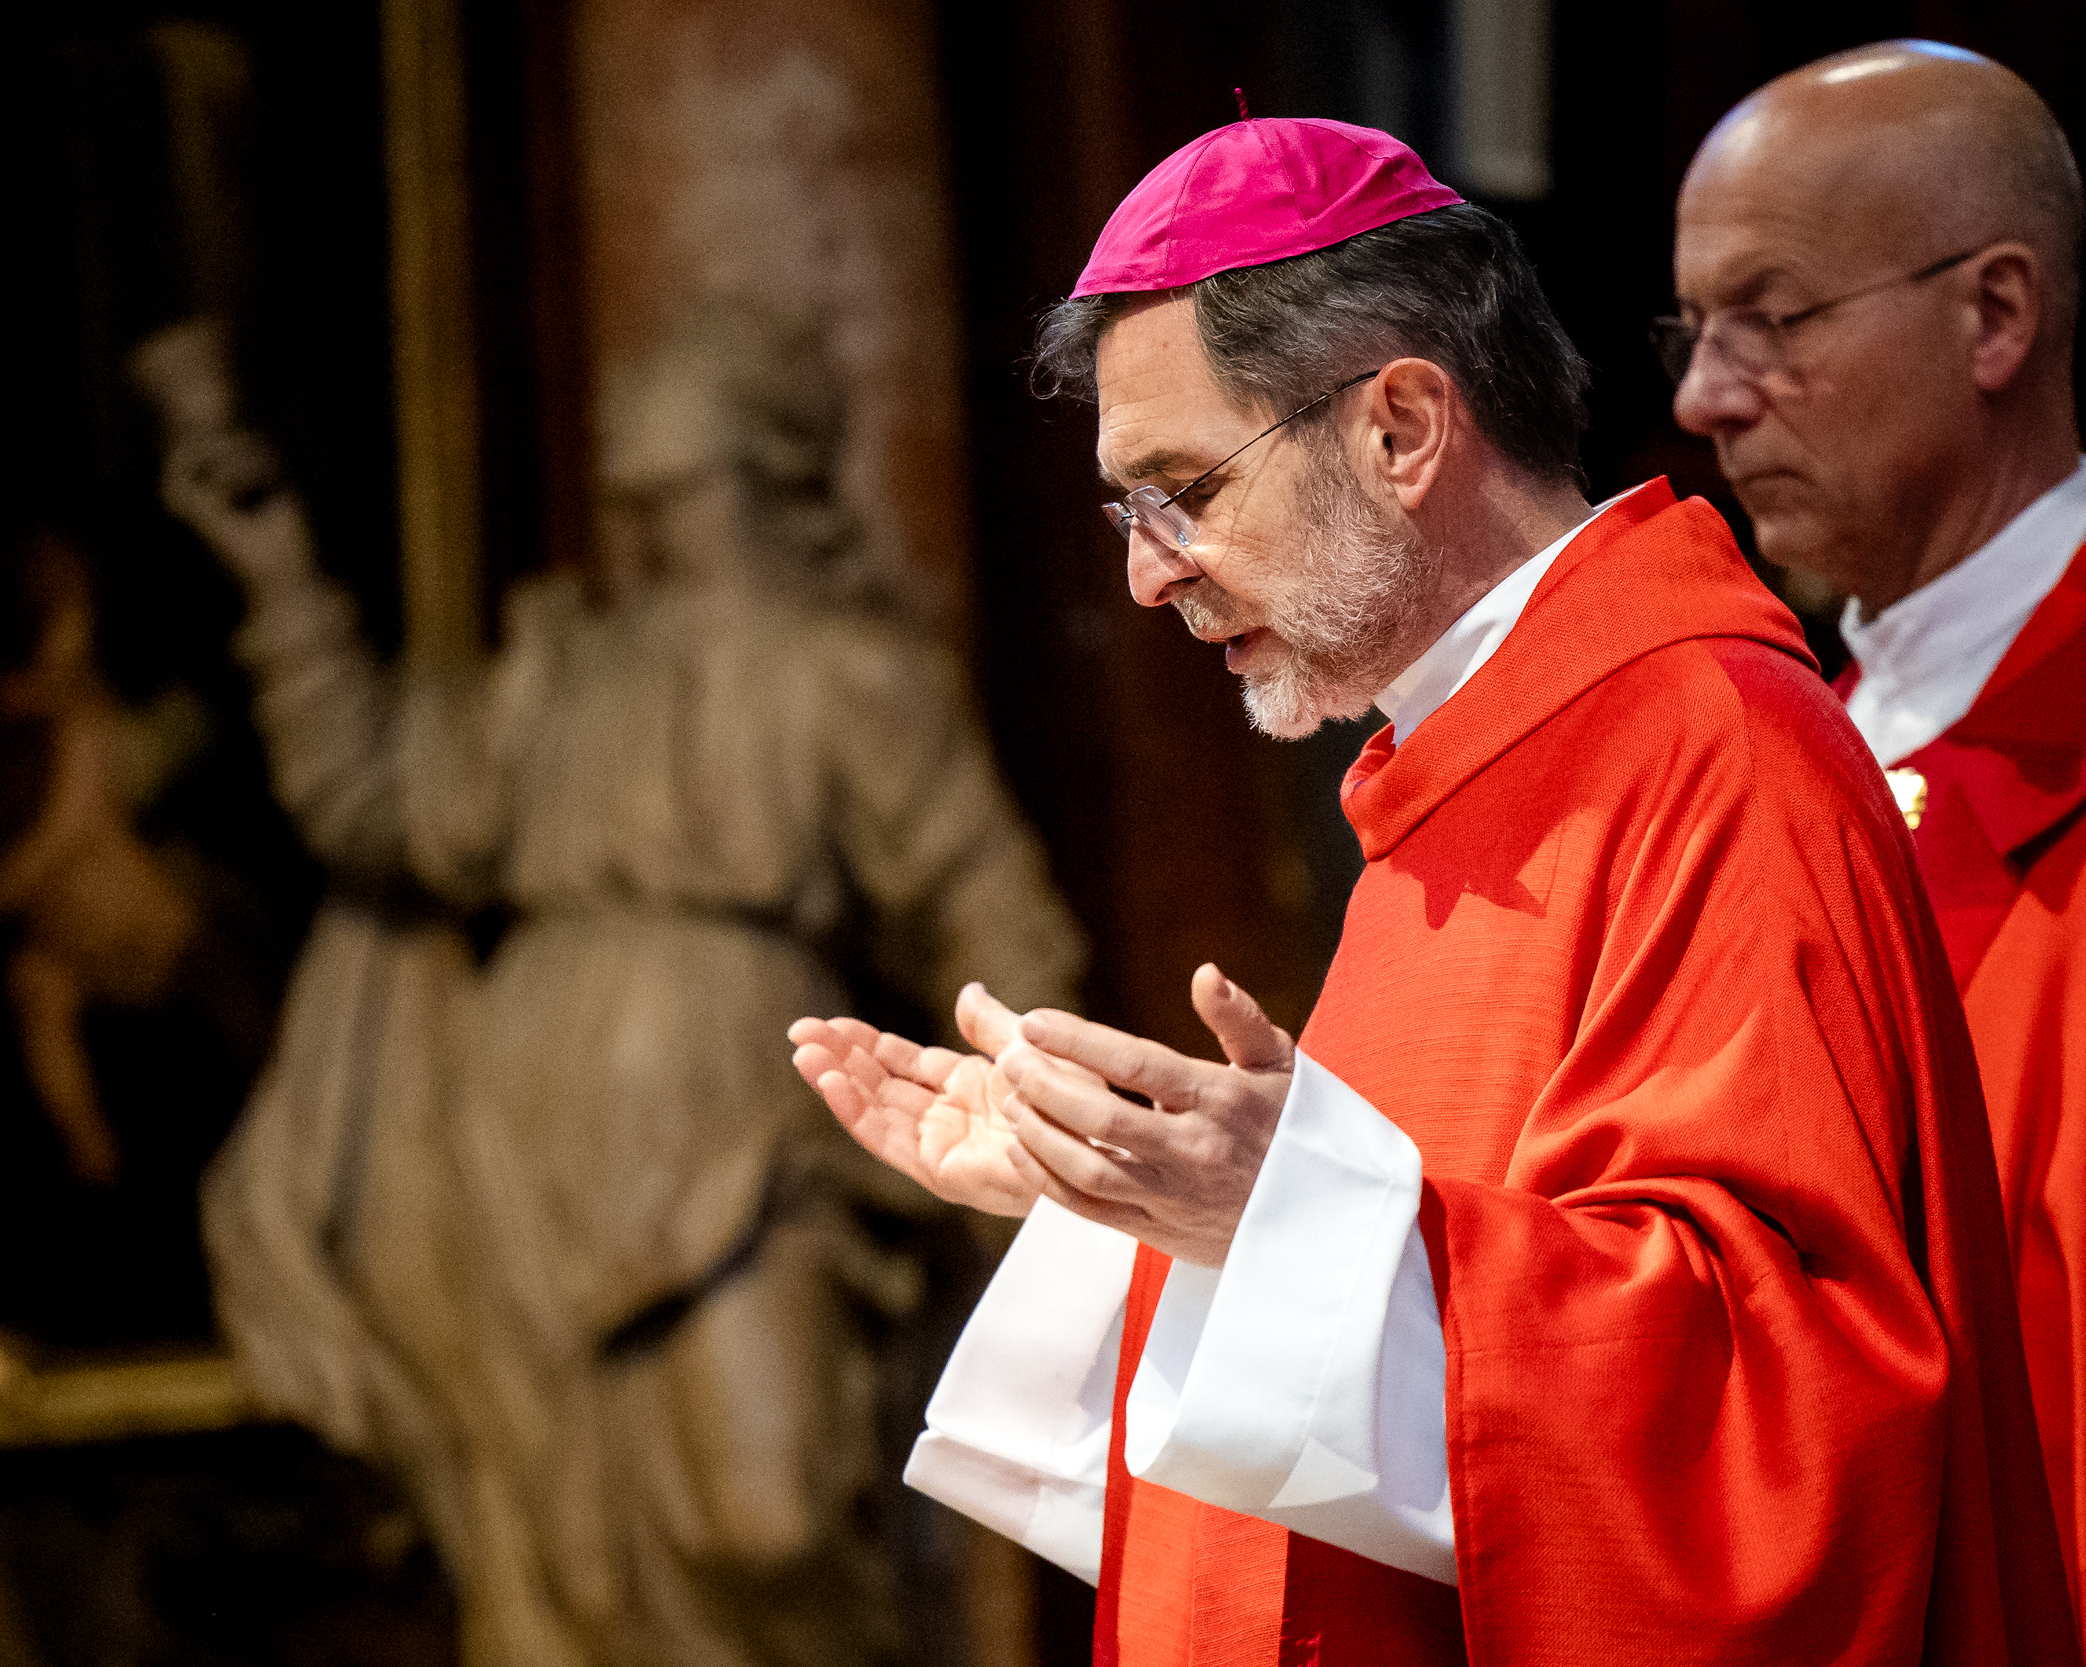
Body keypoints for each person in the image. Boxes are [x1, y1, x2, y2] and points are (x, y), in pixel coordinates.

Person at [790, 115, 2075, 1663]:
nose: (1149, 572)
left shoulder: (1709, 747)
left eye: (1184, 490)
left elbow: (1775, 1418)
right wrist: (1132, 1197)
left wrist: (1280, 1218)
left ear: (1401, 428)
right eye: (1133, 514)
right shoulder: (1472, 765)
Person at [148, 306, 1085, 1667]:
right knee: (556, 1571)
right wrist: (277, 575)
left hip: (739, 1137)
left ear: (756, 474)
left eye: (673, 491)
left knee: (768, 1519)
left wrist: (1032, 1113)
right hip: (519, 1153)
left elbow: (988, 910)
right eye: (625, 494)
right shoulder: (559, 672)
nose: (638, 526)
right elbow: (375, 800)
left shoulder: (848, 676)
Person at [1668, 40, 2086, 1625]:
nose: (1704, 397)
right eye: (1694, 329)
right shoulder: (1796, 747)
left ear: (1995, 315)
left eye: (1771, 320)